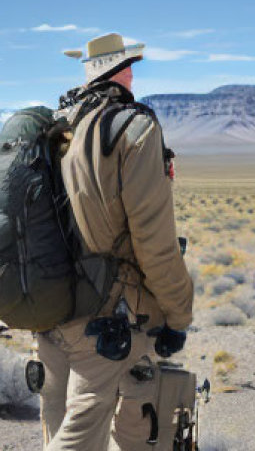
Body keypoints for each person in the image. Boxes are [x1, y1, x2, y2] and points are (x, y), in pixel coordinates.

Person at [37, 32, 194, 450]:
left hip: (51, 305)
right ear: (126, 69)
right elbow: (154, 243)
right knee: (81, 435)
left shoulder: (59, 127)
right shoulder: (132, 127)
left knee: (61, 419)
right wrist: (178, 315)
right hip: (108, 314)